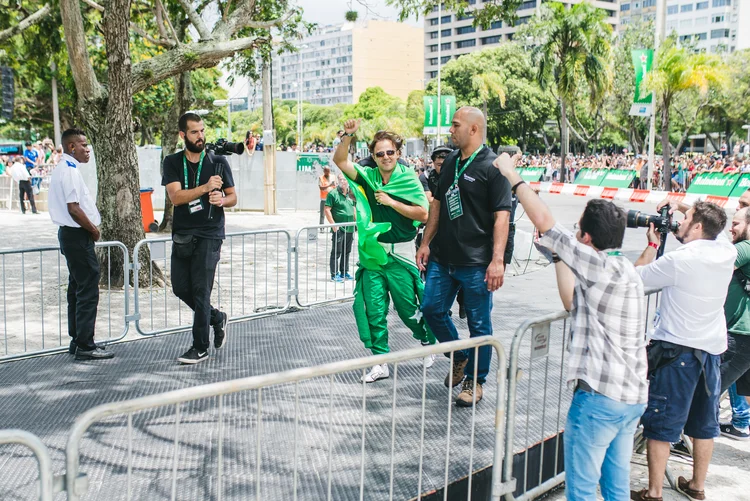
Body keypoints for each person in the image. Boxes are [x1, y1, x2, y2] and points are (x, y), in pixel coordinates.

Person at [494, 153, 648, 501]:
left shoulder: (596, 266)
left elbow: (546, 220)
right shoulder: (624, 270)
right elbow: (571, 302)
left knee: (580, 491)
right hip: (631, 397)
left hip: (598, 400)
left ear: (587, 237)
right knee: (615, 489)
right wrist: (560, 258)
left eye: (578, 229)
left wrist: (510, 174)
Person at [632, 199, 734, 501]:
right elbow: (717, 226)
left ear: (698, 226)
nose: (680, 221)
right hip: (711, 353)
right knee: (704, 424)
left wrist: (652, 245)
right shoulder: (725, 250)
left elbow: (635, 278)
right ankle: (697, 485)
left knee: (661, 424)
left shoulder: (680, 260)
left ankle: (654, 492)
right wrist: (682, 206)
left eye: (686, 218)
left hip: (678, 353)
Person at [418, 107, 512, 407]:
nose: (450, 130)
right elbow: (437, 207)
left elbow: (502, 217)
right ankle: (459, 355)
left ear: (474, 129)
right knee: (431, 308)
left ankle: (475, 380)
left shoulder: (494, 166)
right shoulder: (449, 164)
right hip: (443, 258)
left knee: (479, 324)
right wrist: (426, 242)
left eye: (455, 125)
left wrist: (497, 260)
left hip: (476, 263)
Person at [333, 119, 437, 383]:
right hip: (373, 255)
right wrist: (347, 135)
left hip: (400, 254)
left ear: (398, 154)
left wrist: (390, 201)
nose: (385, 157)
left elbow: (424, 214)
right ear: (374, 156)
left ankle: (428, 340)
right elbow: (341, 161)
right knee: (374, 310)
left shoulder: (409, 179)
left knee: (407, 310)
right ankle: (380, 361)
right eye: (380, 153)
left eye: (390, 152)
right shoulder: (369, 177)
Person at [162, 112, 236, 365]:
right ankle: (216, 317)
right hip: (183, 234)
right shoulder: (172, 162)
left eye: (202, 130)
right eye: (194, 132)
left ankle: (200, 347)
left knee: (200, 290)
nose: (200, 136)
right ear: (183, 135)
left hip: (210, 233)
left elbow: (233, 197)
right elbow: (176, 198)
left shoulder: (217, 162)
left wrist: (222, 199)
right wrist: (205, 189)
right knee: (180, 288)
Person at [48, 128, 113, 361]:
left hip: (70, 235)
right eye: (83, 145)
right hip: (77, 235)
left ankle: (78, 340)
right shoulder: (70, 171)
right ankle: (85, 344)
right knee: (87, 287)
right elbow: (74, 208)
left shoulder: (65, 169)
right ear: (71, 147)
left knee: (76, 287)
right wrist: (93, 230)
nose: (88, 150)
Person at [719, 206, 750, 440]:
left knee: (707, 390)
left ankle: (680, 436)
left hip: (740, 336)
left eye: (737, 223)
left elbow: (714, 264)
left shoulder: (745, 247)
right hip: (742, 333)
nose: (732, 227)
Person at [324, 173, 356, 282]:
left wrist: (356, 222)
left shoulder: (351, 193)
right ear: (337, 181)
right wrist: (333, 225)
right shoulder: (333, 194)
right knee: (336, 251)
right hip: (339, 228)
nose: (343, 181)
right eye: (341, 179)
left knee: (347, 251)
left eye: (345, 179)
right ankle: (334, 274)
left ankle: (344, 272)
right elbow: (327, 209)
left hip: (350, 227)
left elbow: (353, 208)